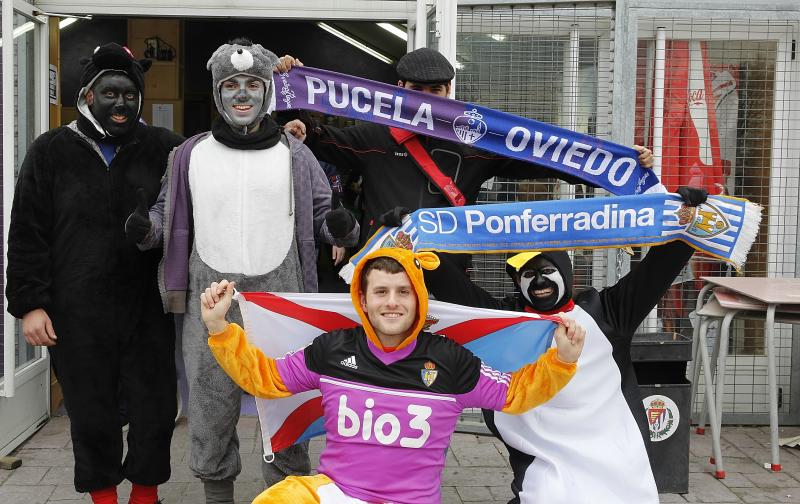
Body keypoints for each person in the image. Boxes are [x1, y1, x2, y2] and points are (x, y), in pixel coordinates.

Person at [126, 38, 359, 504]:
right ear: (217, 92)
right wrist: (146, 229)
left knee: (286, 395)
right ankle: (217, 495)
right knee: (212, 402)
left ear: (268, 91)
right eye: (231, 84)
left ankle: (287, 492)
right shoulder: (189, 153)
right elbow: (164, 211)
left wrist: (339, 227)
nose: (242, 94)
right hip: (210, 300)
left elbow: (321, 214)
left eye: (253, 84)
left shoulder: (294, 152)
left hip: (282, 299)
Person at [199, 247, 584, 503]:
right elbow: (266, 378)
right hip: (340, 492)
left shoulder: (448, 360)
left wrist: (561, 361)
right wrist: (220, 328)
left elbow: (515, 394)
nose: (392, 302)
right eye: (381, 291)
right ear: (363, 301)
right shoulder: (333, 349)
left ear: (419, 299)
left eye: (403, 291)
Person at [418, 187, 709, 503]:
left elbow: (657, 270)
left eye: (546, 271)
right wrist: (409, 236)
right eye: (527, 275)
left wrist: (686, 220)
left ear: (565, 271)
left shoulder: (608, 312)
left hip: (614, 465)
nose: (539, 282)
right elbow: (447, 282)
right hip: (545, 469)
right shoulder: (503, 319)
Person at [6, 43, 184, 504]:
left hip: (148, 310)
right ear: (87, 96)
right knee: (90, 414)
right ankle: (102, 497)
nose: (120, 104)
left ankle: (145, 496)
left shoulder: (166, 150)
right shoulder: (50, 151)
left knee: (155, 410)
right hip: (76, 312)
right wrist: (30, 304)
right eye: (109, 93)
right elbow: (27, 231)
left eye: (129, 95)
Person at [280, 48, 654, 247]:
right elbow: (322, 139)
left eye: (436, 92)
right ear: (398, 88)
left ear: (449, 93)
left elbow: (542, 157)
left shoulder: (475, 138)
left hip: (449, 270)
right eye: (416, 91)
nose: (425, 100)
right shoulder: (373, 136)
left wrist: (615, 162)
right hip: (385, 269)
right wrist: (295, 104)